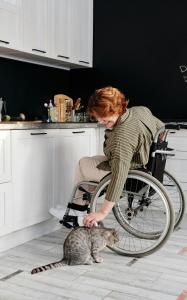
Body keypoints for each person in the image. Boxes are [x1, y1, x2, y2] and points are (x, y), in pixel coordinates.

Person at [50, 86, 165, 227]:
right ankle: (78, 208)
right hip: (144, 166)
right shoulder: (141, 110)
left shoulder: (122, 137)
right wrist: (148, 151)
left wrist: (102, 212)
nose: (100, 121)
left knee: (83, 164)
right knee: (92, 160)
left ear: (114, 110)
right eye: (98, 117)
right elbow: (162, 129)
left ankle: (78, 212)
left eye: (103, 117)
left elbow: (119, 176)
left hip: (130, 174)